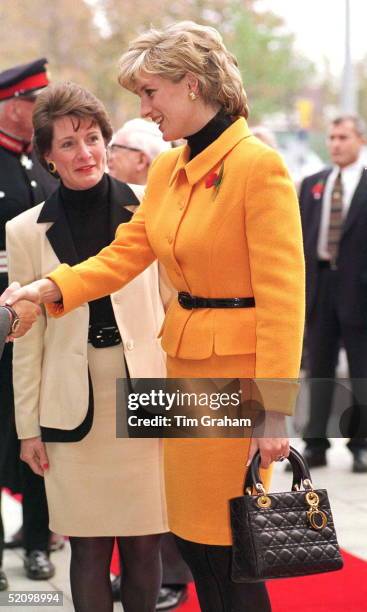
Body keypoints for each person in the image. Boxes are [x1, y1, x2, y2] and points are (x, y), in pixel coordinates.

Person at [5, 22, 305, 612]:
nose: (143, 108)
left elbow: (284, 298)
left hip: (235, 385)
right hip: (182, 376)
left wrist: (275, 411)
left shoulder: (256, 166)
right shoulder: (169, 170)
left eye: (150, 92)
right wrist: (46, 287)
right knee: (195, 545)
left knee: (231, 548)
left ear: (191, 86)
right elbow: (123, 255)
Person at [5, 81, 169, 612]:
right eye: (70, 143)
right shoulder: (25, 231)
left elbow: (171, 305)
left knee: (146, 544)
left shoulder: (149, 207)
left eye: (94, 138)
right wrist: (27, 426)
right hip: (70, 402)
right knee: (89, 547)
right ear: (48, 157)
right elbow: (28, 341)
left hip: (146, 393)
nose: (87, 152)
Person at [108, 118, 191, 611]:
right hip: (133, 358)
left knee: (166, 473)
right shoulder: (120, 204)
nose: (106, 156)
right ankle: (147, 574)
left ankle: (172, 577)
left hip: (166, 355)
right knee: (141, 477)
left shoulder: (155, 203)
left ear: (141, 159)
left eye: (114, 147)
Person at [0, 58, 58, 586]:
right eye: (32, 103)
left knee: (36, 435)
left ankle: (38, 541)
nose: (39, 112)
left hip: (39, 324)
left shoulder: (42, 165)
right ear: (11, 106)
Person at [300, 115, 367, 472]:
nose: (336, 143)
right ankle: (315, 444)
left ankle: (361, 445)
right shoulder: (314, 184)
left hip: (359, 289)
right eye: (331, 137)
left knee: (361, 370)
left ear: (361, 140)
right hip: (321, 286)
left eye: (343, 137)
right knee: (319, 368)